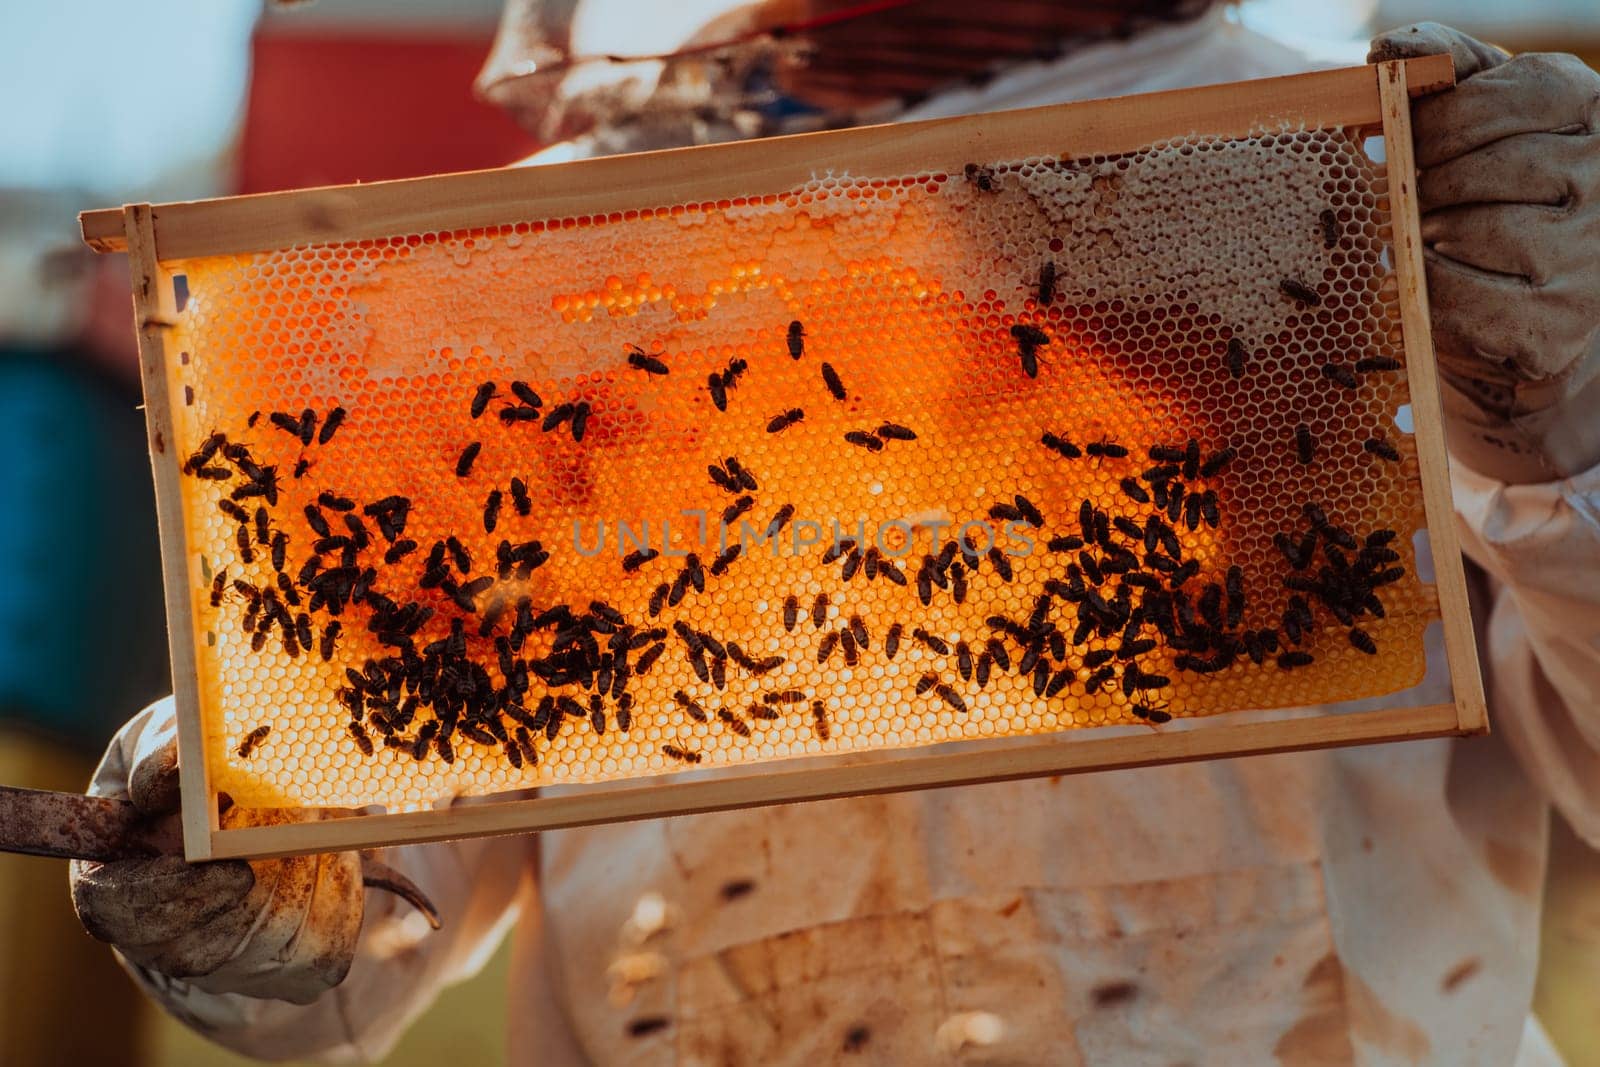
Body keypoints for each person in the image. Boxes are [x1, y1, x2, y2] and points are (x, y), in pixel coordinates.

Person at [69, 4, 1600, 1063]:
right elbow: (359, 939)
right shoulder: (509, 297)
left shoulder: (1405, 183)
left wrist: (1571, 438)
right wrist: (252, 879)